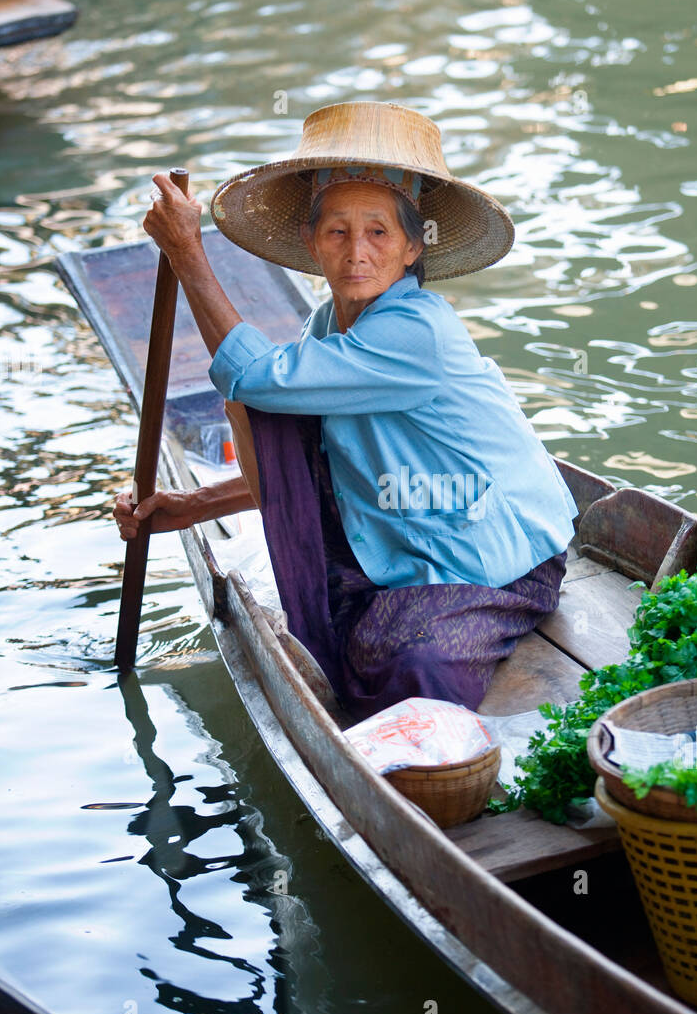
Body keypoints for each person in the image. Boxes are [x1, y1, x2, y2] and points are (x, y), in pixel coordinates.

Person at [114, 101, 578, 718]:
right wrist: (193, 507)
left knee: (407, 660)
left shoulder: (417, 332)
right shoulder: (328, 325)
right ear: (312, 243)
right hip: (413, 526)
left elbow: (253, 375)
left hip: (496, 557)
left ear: (413, 248)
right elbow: (313, 463)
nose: (357, 251)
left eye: (379, 232)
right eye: (337, 231)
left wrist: (187, 254)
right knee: (269, 415)